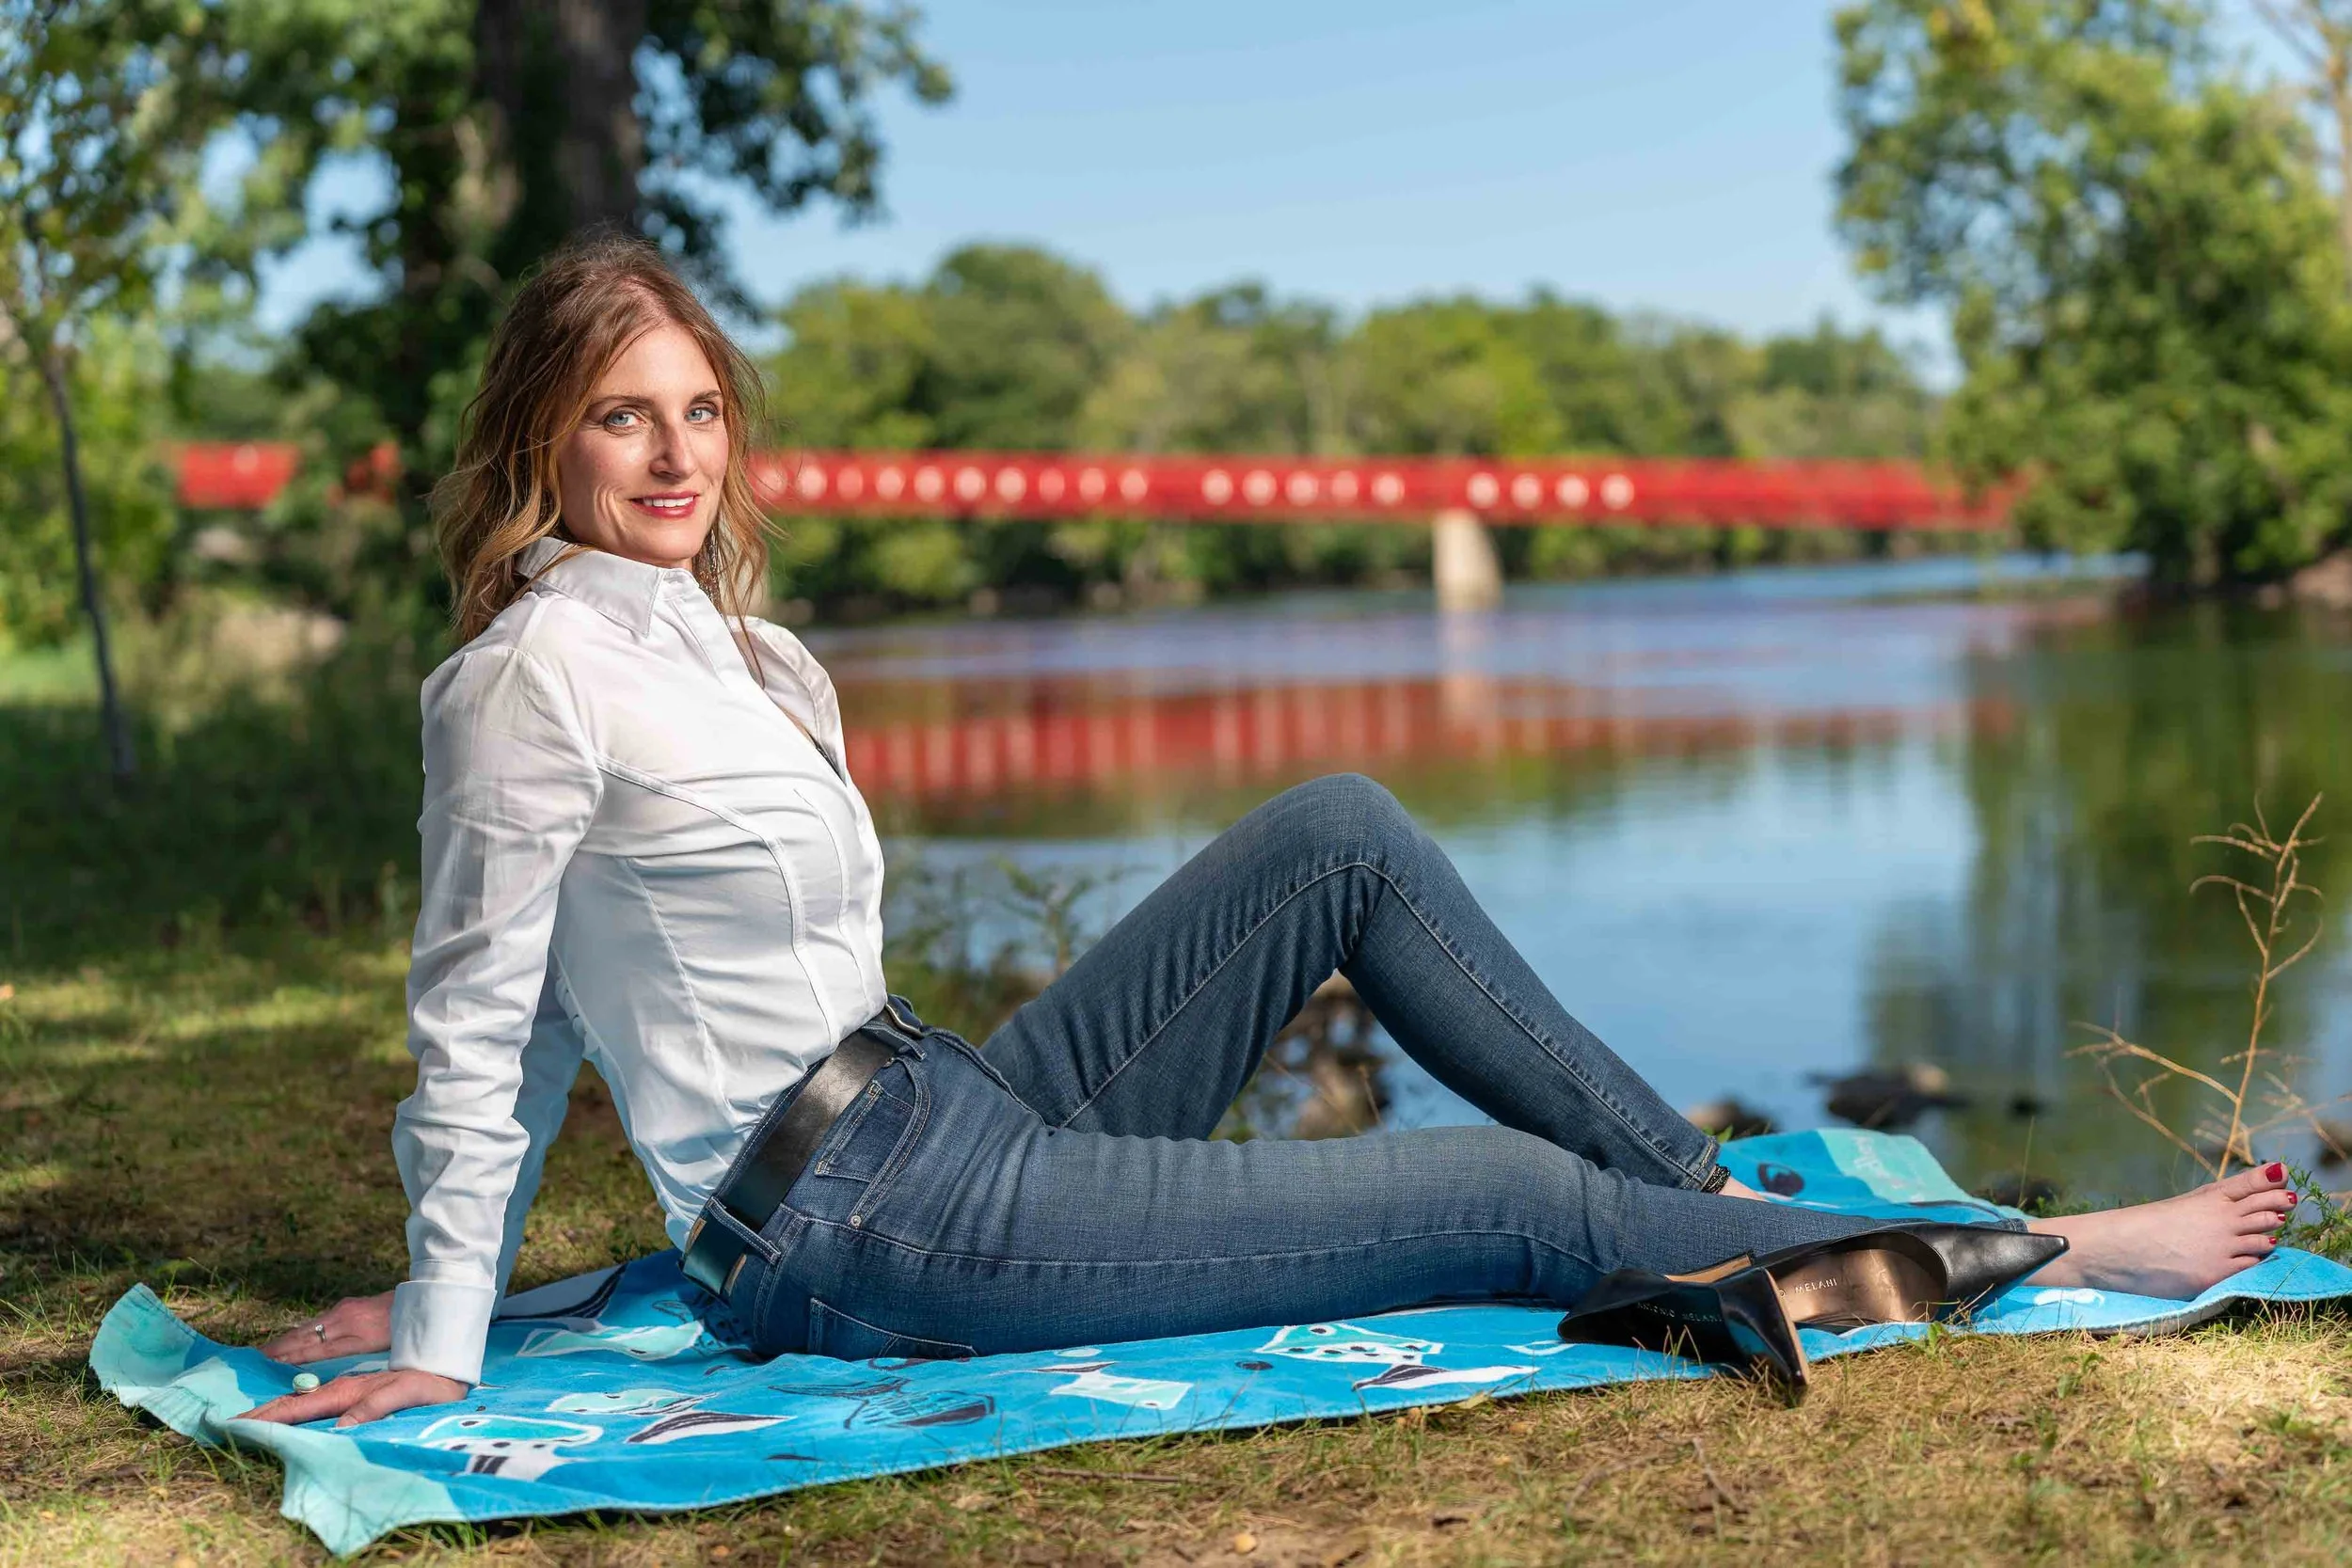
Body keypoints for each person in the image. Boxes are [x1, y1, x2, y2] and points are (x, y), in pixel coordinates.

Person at [245, 238, 2297, 1430]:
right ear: (543, 436)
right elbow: (490, 1026)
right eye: (623, 414)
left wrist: (492, 1289)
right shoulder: (524, 681)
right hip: (855, 1230)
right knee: (1505, 1199)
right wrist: (444, 1327)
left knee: (1340, 825)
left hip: (948, 1107)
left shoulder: (755, 657)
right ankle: (2036, 1250)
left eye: (698, 410)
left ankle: (1685, 1189)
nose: (674, 454)